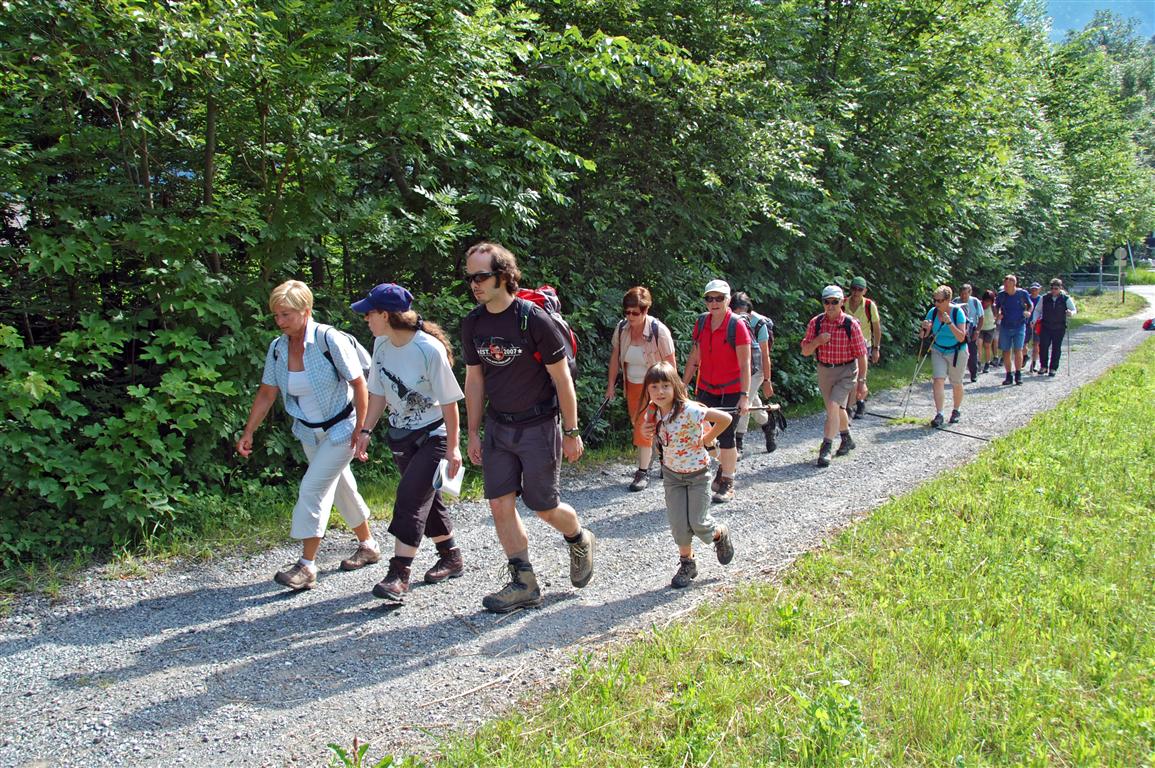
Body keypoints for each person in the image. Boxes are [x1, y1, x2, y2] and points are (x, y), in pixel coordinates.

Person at [460, 241, 595, 614]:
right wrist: (472, 432)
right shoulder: (473, 322)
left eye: (481, 277)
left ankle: (578, 537)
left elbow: (562, 379)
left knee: (544, 507)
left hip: (538, 426)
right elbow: (474, 380)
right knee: (499, 504)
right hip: (498, 427)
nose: (474, 284)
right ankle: (524, 582)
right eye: (470, 278)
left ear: (503, 275)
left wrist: (572, 431)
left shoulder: (532, 319)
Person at [237, 280, 378, 591]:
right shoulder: (278, 349)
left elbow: (359, 384)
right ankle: (368, 545)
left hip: (342, 429)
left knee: (312, 489)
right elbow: (267, 392)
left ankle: (306, 566)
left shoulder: (329, 340)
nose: (280, 321)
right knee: (341, 488)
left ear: (306, 310)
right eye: (276, 315)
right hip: (308, 432)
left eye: (286, 314)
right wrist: (249, 431)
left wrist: (361, 428)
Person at [350, 283, 466, 602]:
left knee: (410, 498)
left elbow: (450, 402)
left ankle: (399, 575)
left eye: (369, 314)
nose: (366, 319)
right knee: (428, 499)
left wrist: (454, 447)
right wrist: (365, 431)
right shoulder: (381, 344)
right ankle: (451, 556)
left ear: (385, 315)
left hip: (435, 435)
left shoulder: (429, 349)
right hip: (401, 435)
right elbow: (378, 393)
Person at [638, 362, 735, 589]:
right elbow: (647, 431)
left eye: (665, 386)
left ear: (675, 386)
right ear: (648, 390)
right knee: (679, 526)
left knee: (699, 524)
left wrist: (707, 439)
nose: (660, 392)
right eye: (654, 387)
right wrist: (644, 430)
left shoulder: (690, 410)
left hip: (698, 475)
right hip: (672, 476)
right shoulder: (653, 411)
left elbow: (725, 419)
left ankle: (720, 534)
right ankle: (687, 563)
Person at [681, 279, 751, 504]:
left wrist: (744, 396)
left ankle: (728, 481)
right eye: (709, 298)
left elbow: (745, 364)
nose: (714, 302)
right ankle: (724, 466)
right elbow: (695, 357)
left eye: (719, 298)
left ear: (728, 300)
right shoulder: (702, 322)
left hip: (731, 390)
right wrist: (683, 384)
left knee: (727, 435)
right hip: (705, 388)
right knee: (704, 435)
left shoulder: (736, 325)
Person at [605, 286, 677, 492]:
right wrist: (610, 385)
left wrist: (672, 392)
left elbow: (670, 364)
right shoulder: (622, 329)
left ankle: (642, 472)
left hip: (656, 387)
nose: (630, 316)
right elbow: (615, 358)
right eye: (627, 312)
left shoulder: (659, 331)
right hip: (632, 385)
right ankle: (664, 461)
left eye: (635, 313)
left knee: (644, 426)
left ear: (645, 310)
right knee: (643, 424)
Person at [800, 285, 869, 468]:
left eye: (834, 302)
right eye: (827, 302)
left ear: (841, 302)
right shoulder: (816, 323)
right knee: (836, 409)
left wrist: (862, 382)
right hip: (825, 370)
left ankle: (826, 448)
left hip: (847, 371)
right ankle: (846, 438)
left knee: (832, 406)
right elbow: (805, 351)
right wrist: (818, 341)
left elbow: (862, 355)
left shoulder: (850, 324)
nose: (830, 306)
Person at [729, 291, 778, 454]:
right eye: (736, 312)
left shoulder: (759, 324)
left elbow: (765, 355)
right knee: (751, 401)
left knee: (743, 404)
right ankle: (768, 425)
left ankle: (738, 442)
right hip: (740, 368)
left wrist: (767, 381)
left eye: (743, 312)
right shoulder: (729, 321)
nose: (740, 317)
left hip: (757, 370)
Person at [921, 285, 969, 426]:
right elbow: (923, 336)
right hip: (938, 349)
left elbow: (961, 337)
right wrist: (925, 328)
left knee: (956, 382)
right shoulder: (933, 312)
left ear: (948, 300)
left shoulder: (957, 312)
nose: (936, 303)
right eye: (935, 300)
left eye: (940, 301)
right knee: (938, 380)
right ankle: (939, 414)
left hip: (957, 351)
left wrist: (949, 323)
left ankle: (956, 410)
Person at [843, 276, 882, 418]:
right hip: (846, 345)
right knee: (848, 375)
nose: (856, 292)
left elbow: (876, 328)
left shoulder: (869, 305)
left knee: (860, 375)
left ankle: (858, 402)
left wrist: (876, 348)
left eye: (860, 289)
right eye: (854, 288)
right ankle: (850, 405)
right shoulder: (843, 303)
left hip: (864, 344)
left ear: (864, 291)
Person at [1031, 278, 1077, 376]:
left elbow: (1073, 310)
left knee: (1056, 347)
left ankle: (1053, 368)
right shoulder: (1044, 298)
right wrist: (1034, 320)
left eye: (1056, 288)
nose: (1054, 290)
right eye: (1052, 288)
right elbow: (1037, 310)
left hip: (1059, 327)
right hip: (1046, 326)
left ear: (1060, 288)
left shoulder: (1065, 299)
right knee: (1043, 346)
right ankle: (1043, 366)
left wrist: (1070, 313)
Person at [994, 274, 1033, 385]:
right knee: (1006, 351)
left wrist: (1028, 312)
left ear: (1014, 284)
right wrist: (998, 315)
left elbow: (1030, 305)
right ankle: (1008, 375)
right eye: (1005, 284)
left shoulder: (1022, 294)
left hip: (1019, 325)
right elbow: (996, 307)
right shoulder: (1001, 295)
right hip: (1005, 326)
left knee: (1018, 350)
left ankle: (1018, 374)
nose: (1005, 287)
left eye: (1007, 285)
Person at [953, 283, 982, 383]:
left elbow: (981, 317)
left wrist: (977, 331)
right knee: (957, 351)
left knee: (972, 352)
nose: (963, 296)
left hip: (971, 329)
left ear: (970, 293)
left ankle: (973, 373)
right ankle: (957, 374)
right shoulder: (955, 302)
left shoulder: (975, 302)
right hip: (958, 328)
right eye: (962, 294)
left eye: (965, 293)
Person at [1024, 282, 1043, 372]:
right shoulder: (1027, 298)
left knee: (1036, 344)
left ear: (1039, 289)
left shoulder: (1041, 299)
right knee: (1023, 343)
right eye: (1032, 289)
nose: (1034, 291)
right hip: (1027, 324)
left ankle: (1034, 363)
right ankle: (1025, 356)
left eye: (1036, 289)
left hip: (1038, 324)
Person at [978, 289, 997, 373]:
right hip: (980, 328)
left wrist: (996, 320)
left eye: (989, 301)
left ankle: (987, 363)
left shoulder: (993, 307)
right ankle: (978, 362)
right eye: (985, 301)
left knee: (987, 346)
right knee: (979, 344)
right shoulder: (979, 305)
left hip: (990, 329)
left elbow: (996, 315)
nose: (986, 303)